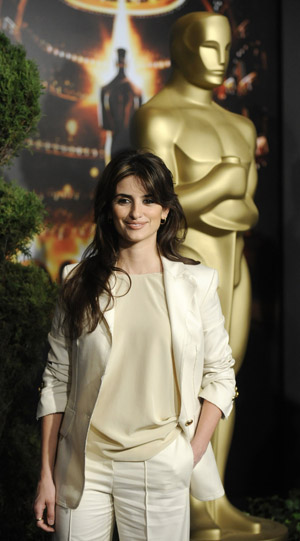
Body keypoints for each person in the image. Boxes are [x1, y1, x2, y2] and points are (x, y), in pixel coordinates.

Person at [34, 149, 236, 541]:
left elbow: (220, 374)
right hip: (83, 464)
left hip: (159, 463)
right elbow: (57, 379)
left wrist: (189, 454)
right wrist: (46, 473)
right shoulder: (78, 280)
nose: (135, 212)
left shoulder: (197, 285)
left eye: (149, 200)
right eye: (124, 199)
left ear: (166, 210)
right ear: (109, 207)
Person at [131, 12, 259, 534]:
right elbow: (155, 205)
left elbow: (249, 211)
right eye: (208, 47)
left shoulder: (241, 126)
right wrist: (224, 182)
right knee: (180, 387)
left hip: (234, 269)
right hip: (181, 268)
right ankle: (178, 506)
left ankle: (213, 503)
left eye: (227, 47)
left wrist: (224, 193)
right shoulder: (158, 118)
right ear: (181, 49)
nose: (221, 59)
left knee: (223, 384)